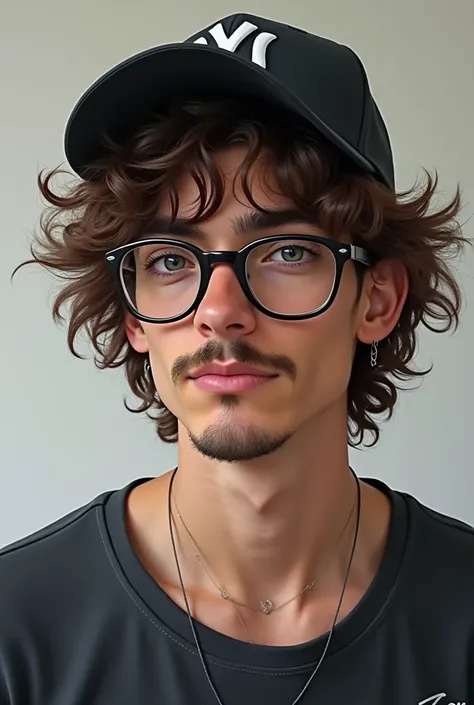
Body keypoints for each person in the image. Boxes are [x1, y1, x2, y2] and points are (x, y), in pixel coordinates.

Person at [1, 12, 472, 705]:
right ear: (133, 313)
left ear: (377, 299)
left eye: (287, 251)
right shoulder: (18, 631)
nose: (218, 308)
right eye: (169, 259)